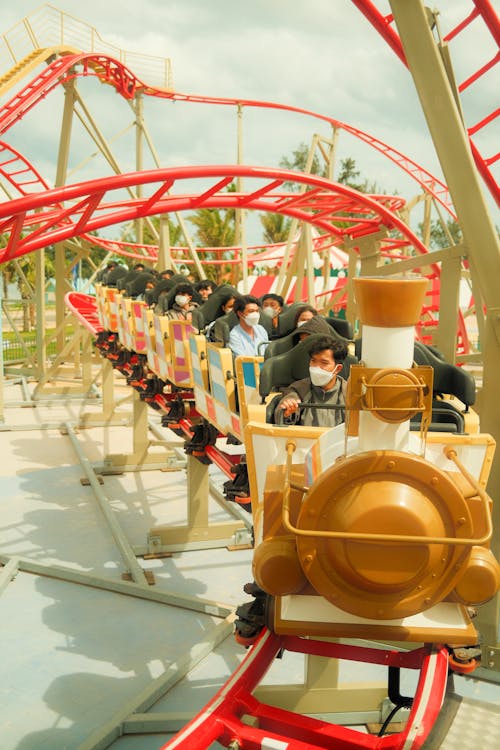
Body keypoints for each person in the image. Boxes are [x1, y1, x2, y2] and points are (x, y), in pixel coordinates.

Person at [274, 336, 348, 427]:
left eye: (324, 363)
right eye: (313, 361)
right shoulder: (298, 389)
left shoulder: (349, 392)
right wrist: (287, 413)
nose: (316, 367)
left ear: (338, 369)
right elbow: (283, 410)